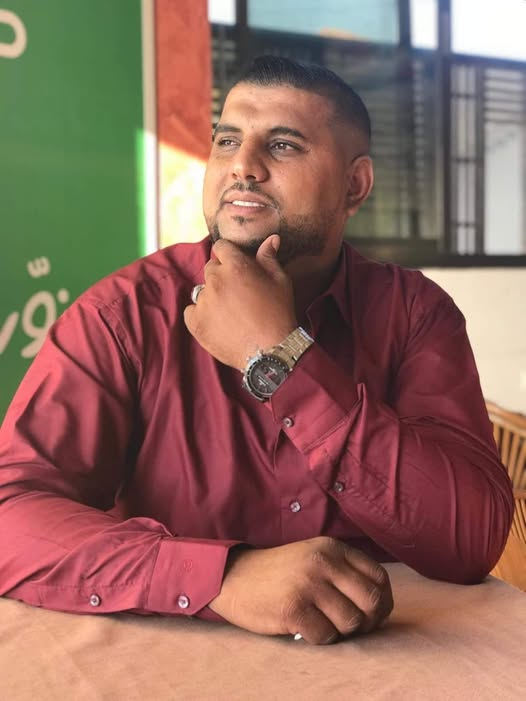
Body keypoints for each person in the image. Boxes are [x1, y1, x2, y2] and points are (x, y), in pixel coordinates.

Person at [0, 55, 513, 646]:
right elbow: (13, 512)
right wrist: (222, 578)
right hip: (174, 659)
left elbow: (470, 540)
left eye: (284, 145)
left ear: (355, 185)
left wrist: (279, 356)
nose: (241, 166)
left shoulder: (413, 314)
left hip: (391, 658)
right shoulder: (124, 316)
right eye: (226, 141)